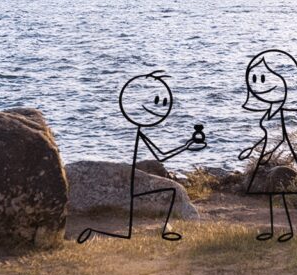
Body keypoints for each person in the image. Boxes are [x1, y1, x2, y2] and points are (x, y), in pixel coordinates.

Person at [77, 71, 203, 243]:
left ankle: (102, 231)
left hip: (133, 186)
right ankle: (162, 232)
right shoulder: (141, 133)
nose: (161, 108)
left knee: (170, 193)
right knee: (173, 191)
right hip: (134, 190)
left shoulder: (140, 132)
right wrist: (187, 146)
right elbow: (161, 156)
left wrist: (187, 145)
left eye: (163, 102)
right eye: (158, 101)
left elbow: (160, 155)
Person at [238, 49, 297, 242]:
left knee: (281, 197)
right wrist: (251, 150)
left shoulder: (278, 112)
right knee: (272, 197)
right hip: (268, 154)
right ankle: (272, 230)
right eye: (255, 80)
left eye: (263, 79)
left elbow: (281, 139)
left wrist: (268, 155)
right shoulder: (268, 113)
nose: (257, 86)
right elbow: (265, 137)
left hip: (272, 154)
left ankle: (288, 230)